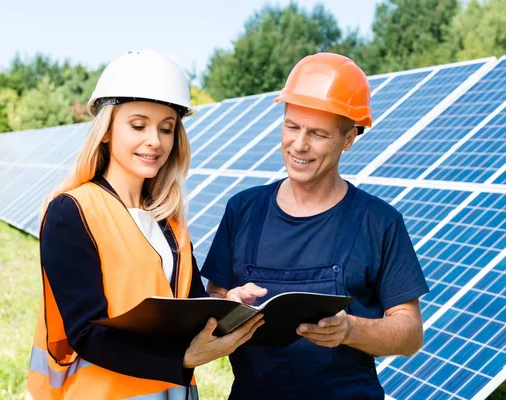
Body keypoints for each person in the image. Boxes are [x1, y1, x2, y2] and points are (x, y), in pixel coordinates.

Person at [26, 49, 264, 400]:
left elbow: (189, 305)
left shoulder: (168, 219)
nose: (155, 140)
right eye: (138, 125)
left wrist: (229, 304)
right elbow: (86, 333)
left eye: (166, 128)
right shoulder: (72, 211)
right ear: (106, 131)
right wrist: (183, 359)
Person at [201, 52, 430, 399]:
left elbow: (410, 333)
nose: (299, 144)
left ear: (349, 137)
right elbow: (213, 299)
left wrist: (350, 329)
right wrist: (228, 304)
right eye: (291, 126)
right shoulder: (242, 210)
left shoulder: (379, 222)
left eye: (318, 133)